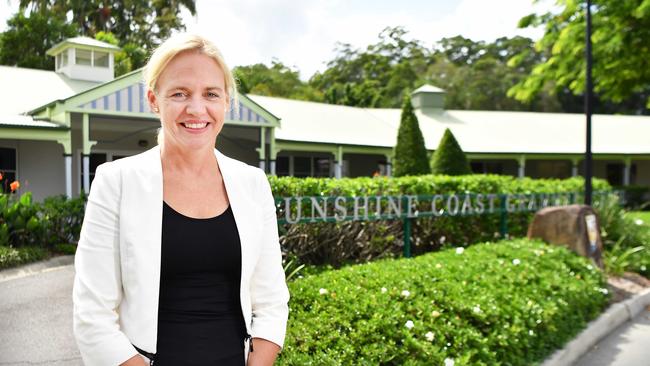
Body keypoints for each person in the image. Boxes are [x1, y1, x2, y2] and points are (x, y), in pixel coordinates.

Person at [72, 33, 290, 366]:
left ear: (226, 102)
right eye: (180, 93)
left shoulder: (253, 184)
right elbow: (92, 315)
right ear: (153, 100)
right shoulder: (116, 182)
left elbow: (271, 300)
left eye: (211, 94)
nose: (196, 108)